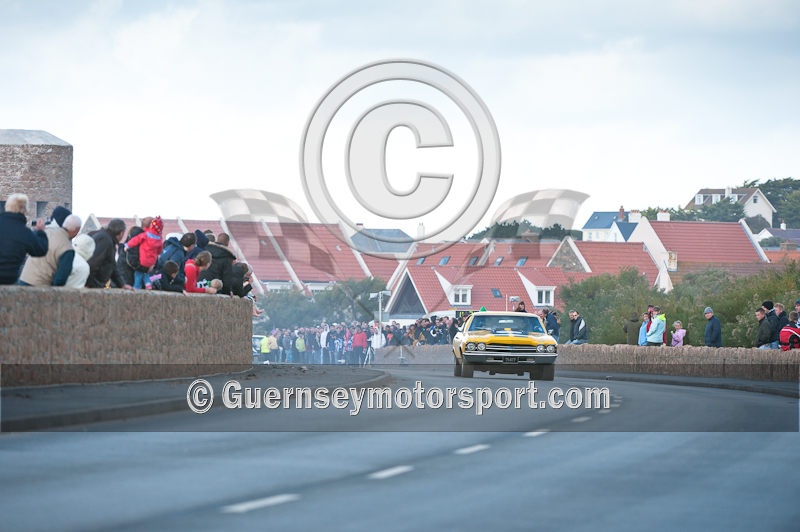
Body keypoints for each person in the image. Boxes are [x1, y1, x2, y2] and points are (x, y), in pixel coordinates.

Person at [19, 212, 82, 286]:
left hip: (23, 279)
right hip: (40, 287)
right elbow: (60, 280)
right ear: (76, 230)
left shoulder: (46, 231)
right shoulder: (67, 248)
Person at [0, 193, 48, 285]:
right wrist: (41, 232)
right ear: (23, 210)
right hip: (8, 280)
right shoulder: (25, 232)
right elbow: (41, 250)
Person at [86, 218, 132, 289]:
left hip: (94, 284)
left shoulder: (107, 238)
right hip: (93, 285)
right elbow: (93, 263)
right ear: (121, 233)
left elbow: (112, 265)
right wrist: (91, 284)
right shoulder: (105, 240)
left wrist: (122, 284)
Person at [125, 216, 164, 289]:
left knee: (139, 275)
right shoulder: (156, 238)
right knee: (143, 274)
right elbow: (159, 252)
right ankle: (147, 284)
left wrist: (126, 246)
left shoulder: (140, 236)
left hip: (130, 273)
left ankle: (140, 286)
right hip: (145, 266)